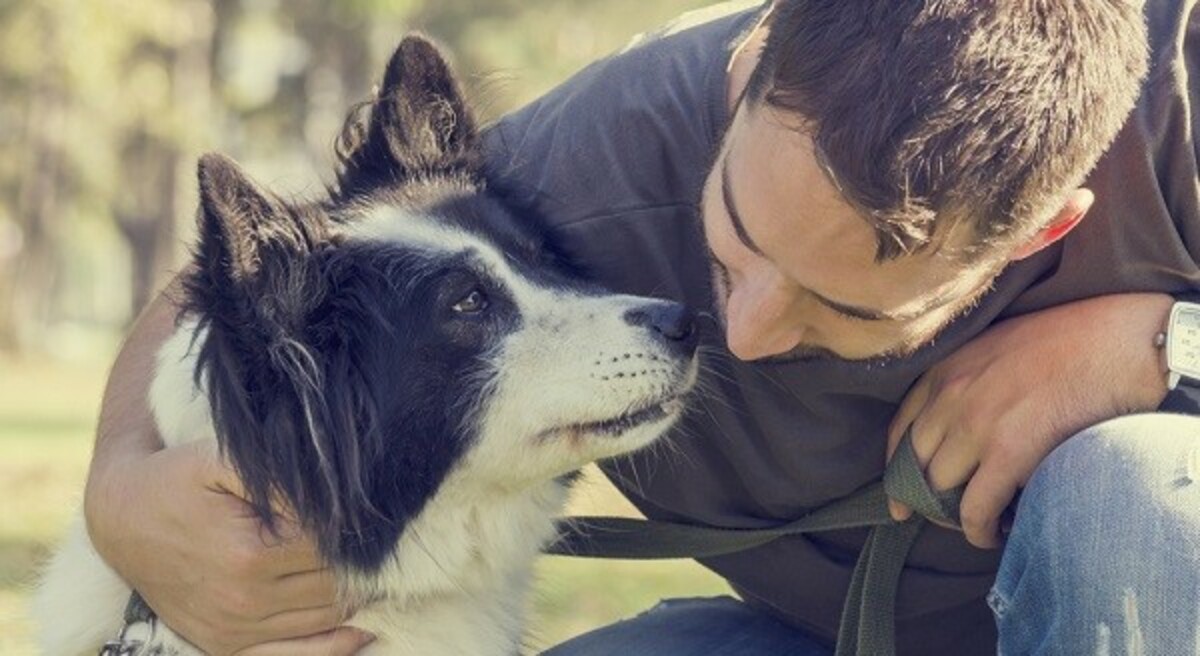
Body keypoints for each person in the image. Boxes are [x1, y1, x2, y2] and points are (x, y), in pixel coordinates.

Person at [84, 0, 1200, 654]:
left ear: (1039, 229)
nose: (747, 332)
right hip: (811, 637)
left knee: (1130, 491)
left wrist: (1154, 344)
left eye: (840, 307)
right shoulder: (597, 157)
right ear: (751, 61)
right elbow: (274, 269)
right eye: (731, 244)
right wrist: (120, 489)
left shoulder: (1180, 104)